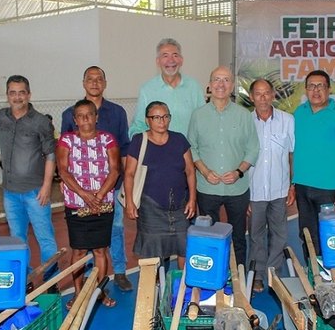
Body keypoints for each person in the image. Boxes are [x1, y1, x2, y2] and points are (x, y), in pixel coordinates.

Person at [60, 66, 132, 292]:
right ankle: (82, 290)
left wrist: (111, 190)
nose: (94, 82)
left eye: (99, 78)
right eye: (90, 79)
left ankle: (118, 273)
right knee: (80, 248)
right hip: (78, 198)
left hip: (110, 190)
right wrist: (84, 194)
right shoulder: (67, 116)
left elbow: (122, 152)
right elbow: (64, 164)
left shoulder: (117, 113)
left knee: (115, 233)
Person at [187, 66, 259, 266]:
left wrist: (239, 171)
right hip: (207, 187)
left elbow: (253, 148)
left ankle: (239, 278)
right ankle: (212, 273)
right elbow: (191, 147)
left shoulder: (244, 115)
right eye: (217, 80)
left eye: (226, 80)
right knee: (209, 235)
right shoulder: (198, 115)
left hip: (237, 188)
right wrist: (204, 171)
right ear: (209, 86)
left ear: (232, 86)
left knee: (238, 236)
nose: (221, 84)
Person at [0, 75, 59, 284]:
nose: (17, 97)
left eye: (21, 92)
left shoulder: (41, 122)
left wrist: (47, 186)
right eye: (13, 93)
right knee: (18, 239)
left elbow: (51, 155)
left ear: (29, 94)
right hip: (11, 193)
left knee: (45, 238)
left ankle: (51, 281)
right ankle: (25, 279)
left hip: (36, 193)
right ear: (7, 95)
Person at [56, 99, 121, 308]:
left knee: (101, 250)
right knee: (79, 251)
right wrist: (85, 195)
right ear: (75, 120)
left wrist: (99, 195)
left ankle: (99, 293)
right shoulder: (66, 141)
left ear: (96, 117)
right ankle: (78, 294)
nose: (85, 119)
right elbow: (63, 171)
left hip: (103, 205)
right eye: (80, 115)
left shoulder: (108, 139)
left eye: (89, 114)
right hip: (77, 204)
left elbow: (115, 170)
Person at [124, 101, 196, 270]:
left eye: (165, 116)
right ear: (147, 120)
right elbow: (129, 173)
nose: (162, 121)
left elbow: (191, 171)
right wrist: (129, 201)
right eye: (156, 117)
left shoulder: (179, 139)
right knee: (153, 254)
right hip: (151, 209)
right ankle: (155, 289)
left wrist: (192, 199)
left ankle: (182, 289)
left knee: (184, 249)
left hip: (180, 208)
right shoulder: (138, 140)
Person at [293, 70, 335, 256]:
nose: (316, 90)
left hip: (329, 190)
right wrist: (292, 183)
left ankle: (333, 278)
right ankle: (314, 275)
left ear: (329, 89)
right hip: (303, 187)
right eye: (311, 86)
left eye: (320, 86)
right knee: (306, 235)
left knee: (331, 236)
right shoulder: (299, 113)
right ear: (306, 90)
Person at [248, 79, 295, 292]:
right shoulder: (245, 122)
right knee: (256, 234)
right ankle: (257, 274)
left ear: (273, 95)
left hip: (280, 188)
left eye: (267, 93)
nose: (263, 98)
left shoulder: (288, 120)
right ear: (251, 97)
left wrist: (292, 185)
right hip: (255, 190)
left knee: (280, 233)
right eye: (258, 94)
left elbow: (292, 155)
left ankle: (273, 273)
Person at [128, 38, 205, 139]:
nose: (171, 60)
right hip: (158, 152)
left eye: (175, 55)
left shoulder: (194, 87)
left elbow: (203, 122)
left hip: (189, 151)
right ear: (158, 61)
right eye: (165, 56)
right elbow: (138, 126)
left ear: (181, 60)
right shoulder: (147, 90)